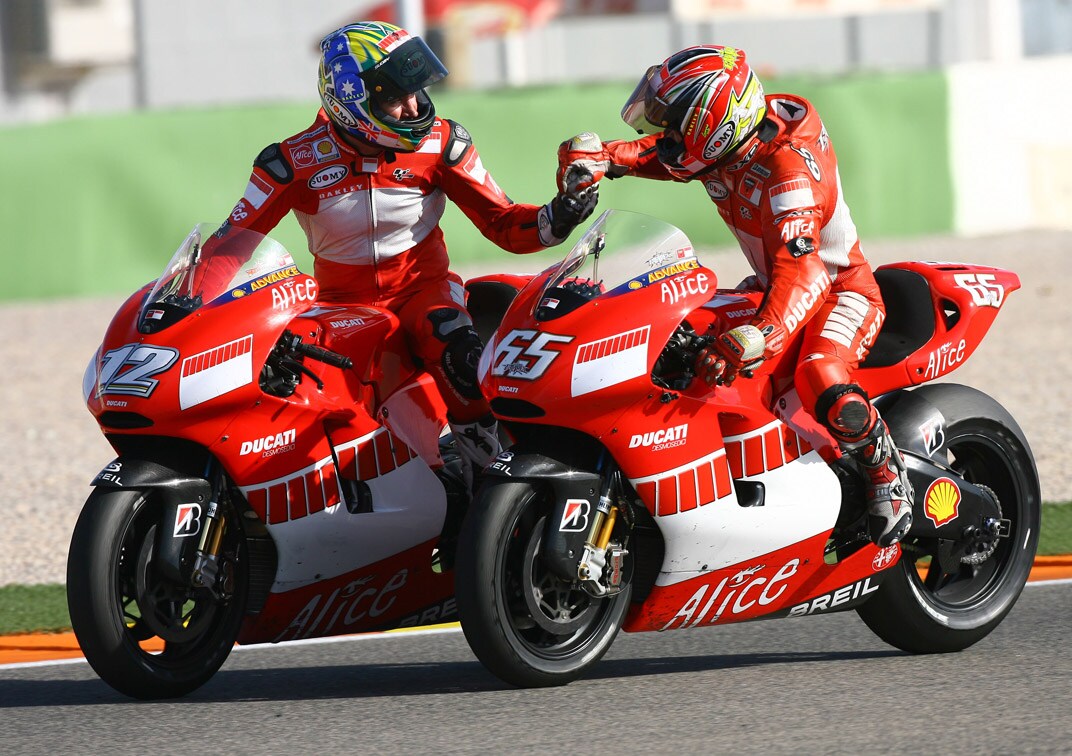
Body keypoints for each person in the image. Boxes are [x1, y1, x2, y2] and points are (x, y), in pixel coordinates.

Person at [201, 21, 596, 485]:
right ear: (351, 99)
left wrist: (558, 216)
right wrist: (187, 301)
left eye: (417, 90)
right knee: (289, 391)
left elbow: (504, 224)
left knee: (457, 353)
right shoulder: (290, 162)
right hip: (339, 308)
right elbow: (230, 244)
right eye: (394, 96)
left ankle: (492, 486)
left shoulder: (444, 143)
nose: (414, 106)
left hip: (424, 292)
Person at [556, 45, 912, 547]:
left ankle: (884, 473)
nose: (669, 136)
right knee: (679, 339)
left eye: (677, 124)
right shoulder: (729, 145)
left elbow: (804, 268)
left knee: (818, 374)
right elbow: (661, 156)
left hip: (838, 291)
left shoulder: (788, 170)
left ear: (712, 122)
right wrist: (603, 159)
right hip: (774, 288)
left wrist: (760, 334)